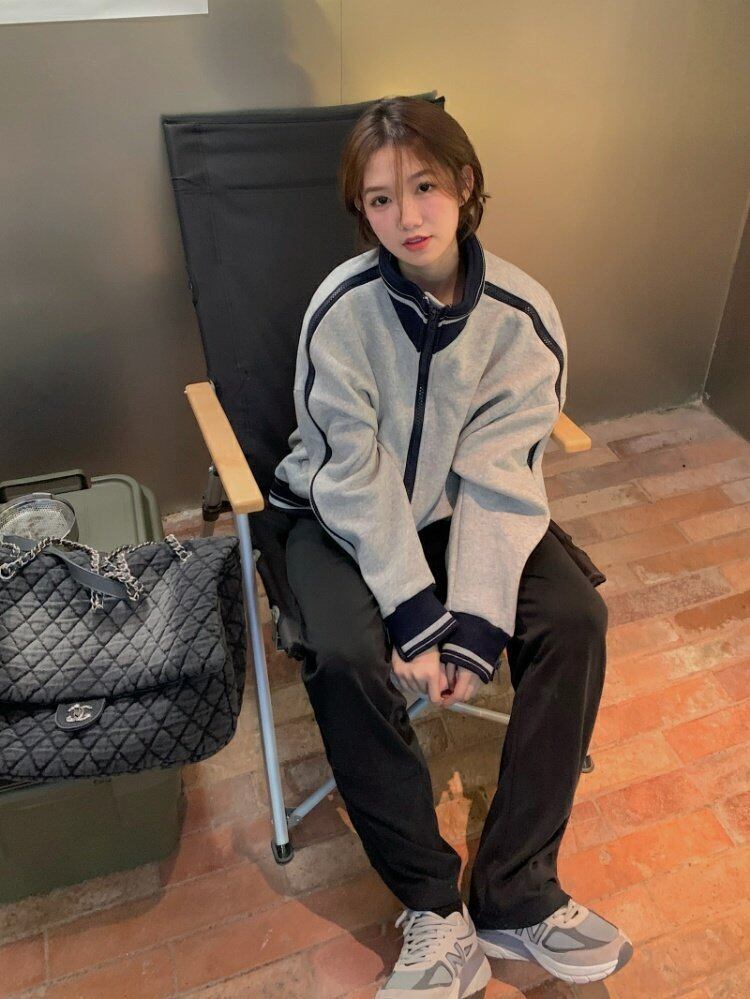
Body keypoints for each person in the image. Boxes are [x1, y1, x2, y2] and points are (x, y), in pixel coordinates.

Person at [268, 95, 632, 997]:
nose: (408, 216)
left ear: (465, 185)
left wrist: (472, 624)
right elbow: (352, 472)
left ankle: (515, 890)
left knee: (576, 619)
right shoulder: (342, 312)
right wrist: (414, 613)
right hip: (339, 512)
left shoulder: (521, 314)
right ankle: (433, 905)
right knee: (345, 654)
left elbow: (504, 474)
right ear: (363, 212)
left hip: (462, 510)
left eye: (424, 187)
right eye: (381, 199)